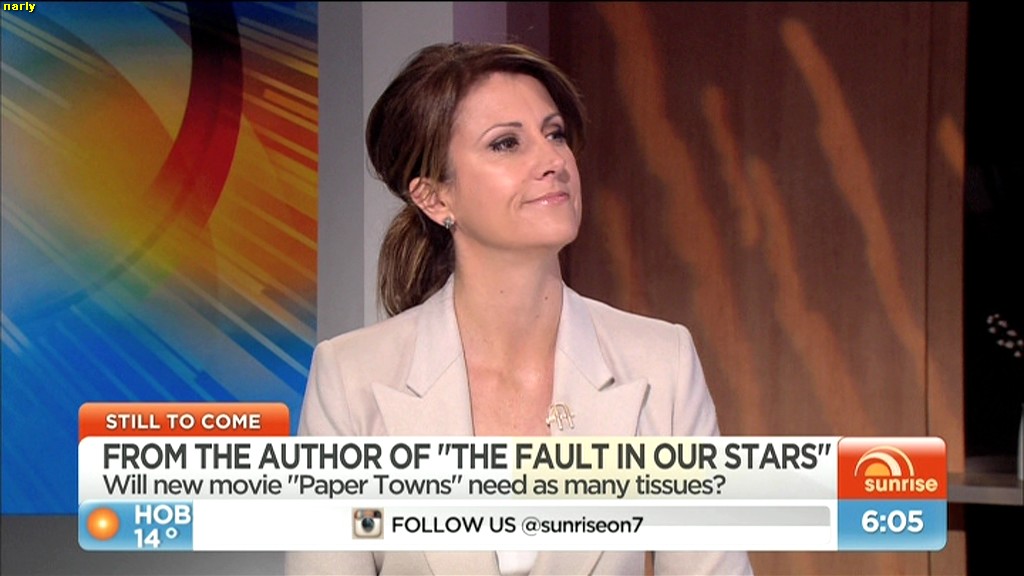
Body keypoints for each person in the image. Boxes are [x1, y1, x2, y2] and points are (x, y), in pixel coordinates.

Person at [287, 42, 753, 575]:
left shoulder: (662, 362)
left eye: (555, 134)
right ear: (435, 197)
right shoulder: (351, 379)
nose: (553, 161)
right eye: (506, 143)